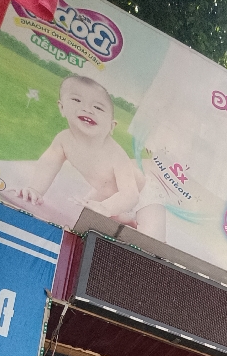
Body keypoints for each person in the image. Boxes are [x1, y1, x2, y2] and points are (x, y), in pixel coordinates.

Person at [14, 75, 166, 239]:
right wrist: (35, 189)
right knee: (80, 219)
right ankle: (125, 220)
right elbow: (48, 164)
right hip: (106, 194)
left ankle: (127, 219)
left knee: (151, 242)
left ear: (111, 126)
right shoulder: (64, 140)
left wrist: (105, 208)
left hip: (143, 197)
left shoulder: (115, 154)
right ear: (62, 107)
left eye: (98, 108)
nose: (87, 109)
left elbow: (131, 195)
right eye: (77, 100)